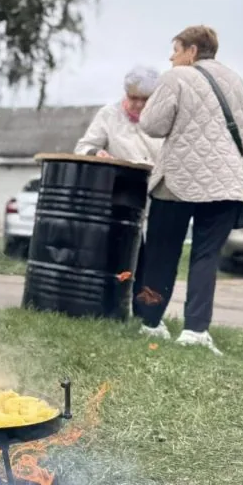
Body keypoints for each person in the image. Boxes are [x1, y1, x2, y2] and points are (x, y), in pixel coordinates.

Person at [133, 26, 243, 355]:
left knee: (161, 252)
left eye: (176, 49)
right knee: (205, 256)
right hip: (228, 182)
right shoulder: (237, 81)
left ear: (192, 51)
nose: (171, 57)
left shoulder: (177, 77)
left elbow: (152, 125)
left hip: (179, 180)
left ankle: (151, 320)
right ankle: (196, 330)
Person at [74, 65, 163, 317]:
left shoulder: (162, 119)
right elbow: (84, 146)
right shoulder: (109, 115)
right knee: (123, 252)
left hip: (155, 191)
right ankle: (111, 307)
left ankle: (147, 312)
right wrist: (96, 153)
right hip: (121, 194)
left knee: (152, 257)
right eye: (132, 98)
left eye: (143, 100)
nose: (136, 105)